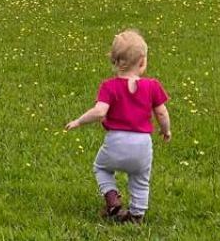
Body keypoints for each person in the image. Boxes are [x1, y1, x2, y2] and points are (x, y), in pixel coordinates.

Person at [64, 28, 170, 224]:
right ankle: (136, 215)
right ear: (142, 61)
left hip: (116, 142)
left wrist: (79, 121)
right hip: (142, 145)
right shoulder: (152, 86)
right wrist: (166, 130)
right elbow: (162, 112)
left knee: (101, 167)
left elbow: (99, 112)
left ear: (115, 61)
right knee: (140, 179)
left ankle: (112, 199)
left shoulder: (109, 87)